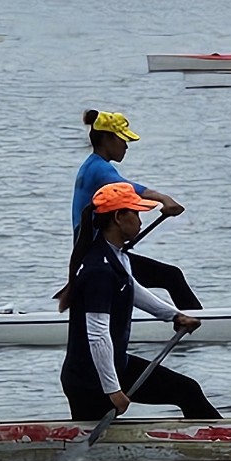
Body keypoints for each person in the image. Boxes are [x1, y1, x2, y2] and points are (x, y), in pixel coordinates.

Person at [60, 182, 220, 421]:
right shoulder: (98, 271)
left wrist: (174, 315)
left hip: (116, 365)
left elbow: (133, 289)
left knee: (187, 390)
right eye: (135, 213)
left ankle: (218, 440)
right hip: (89, 380)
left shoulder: (116, 254)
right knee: (98, 447)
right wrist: (113, 390)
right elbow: (97, 335)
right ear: (118, 217)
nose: (140, 220)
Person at [71, 109, 200, 309]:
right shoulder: (98, 168)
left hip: (96, 251)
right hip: (98, 256)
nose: (126, 145)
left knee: (160, 278)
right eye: (122, 139)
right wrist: (163, 198)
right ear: (106, 139)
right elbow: (128, 190)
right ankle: (200, 323)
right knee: (172, 276)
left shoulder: (93, 166)